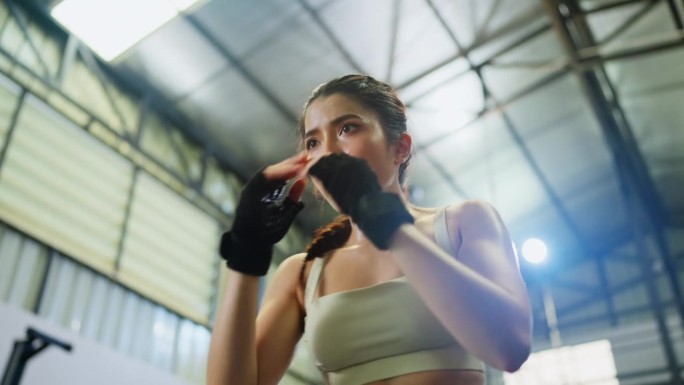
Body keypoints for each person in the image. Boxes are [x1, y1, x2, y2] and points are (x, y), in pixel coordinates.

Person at [207, 75, 532, 385]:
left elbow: (510, 350)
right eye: (314, 142)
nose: (330, 151)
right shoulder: (303, 273)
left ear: (400, 148)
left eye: (347, 128)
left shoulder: (463, 223)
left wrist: (384, 222)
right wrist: (246, 253)